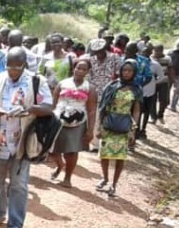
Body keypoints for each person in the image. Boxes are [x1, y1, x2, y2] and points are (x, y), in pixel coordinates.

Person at [0, 47, 54, 228]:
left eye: (16, 68)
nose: (12, 71)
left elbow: (48, 107)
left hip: (23, 141)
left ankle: (15, 226)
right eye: (9, 67)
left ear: (24, 65)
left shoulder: (36, 82)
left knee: (19, 186)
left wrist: (29, 110)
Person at [95, 60, 142, 197]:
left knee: (120, 157)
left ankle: (114, 184)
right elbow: (103, 106)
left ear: (134, 72)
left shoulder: (136, 89)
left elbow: (136, 111)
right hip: (108, 123)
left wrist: (133, 130)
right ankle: (105, 178)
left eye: (130, 70)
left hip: (124, 126)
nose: (126, 73)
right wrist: (99, 126)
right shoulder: (112, 85)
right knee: (104, 154)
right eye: (124, 70)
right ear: (120, 70)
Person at [49, 57, 97, 188]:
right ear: (73, 68)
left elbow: (92, 110)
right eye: (78, 68)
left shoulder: (90, 88)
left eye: (84, 69)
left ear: (88, 72)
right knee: (52, 149)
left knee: (71, 151)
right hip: (58, 120)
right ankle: (60, 166)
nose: (80, 71)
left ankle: (67, 177)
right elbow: (53, 104)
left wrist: (90, 130)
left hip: (77, 122)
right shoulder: (62, 84)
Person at [136, 45, 160, 140]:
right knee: (138, 111)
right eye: (143, 52)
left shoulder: (155, 64)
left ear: (150, 53)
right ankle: (137, 129)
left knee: (146, 112)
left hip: (150, 92)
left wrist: (154, 83)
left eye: (147, 52)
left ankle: (143, 130)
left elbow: (161, 77)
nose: (145, 54)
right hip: (138, 91)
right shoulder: (137, 63)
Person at [154, 46, 171, 124]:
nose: (156, 53)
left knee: (163, 100)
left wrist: (172, 80)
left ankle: (160, 115)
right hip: (154, 83)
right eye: (155, 51)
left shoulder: (167, 59)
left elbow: (171, 70)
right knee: (152, 100)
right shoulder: (151, 58)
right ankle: (153, 116)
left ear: (162, 51)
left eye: (158, 51)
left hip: (164, 82)